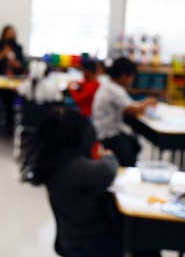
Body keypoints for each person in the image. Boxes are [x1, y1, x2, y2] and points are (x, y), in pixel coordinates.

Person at [28, 108, 123, 257]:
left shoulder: (50, 162)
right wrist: (108, 156)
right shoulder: (73, 166)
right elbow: (108, 171)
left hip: (71, 238)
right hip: (90, 242)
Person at [92, 57, 157, 167]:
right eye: (131, 77)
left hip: (105, 129)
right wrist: (146, 103)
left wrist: (141, 104)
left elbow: (128, 103)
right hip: (108, 133)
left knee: (135, 145)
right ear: (123, 75)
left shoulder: (109, 85)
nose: (131, 81)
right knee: (129, 154)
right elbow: (131, 109)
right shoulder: (114, 89)